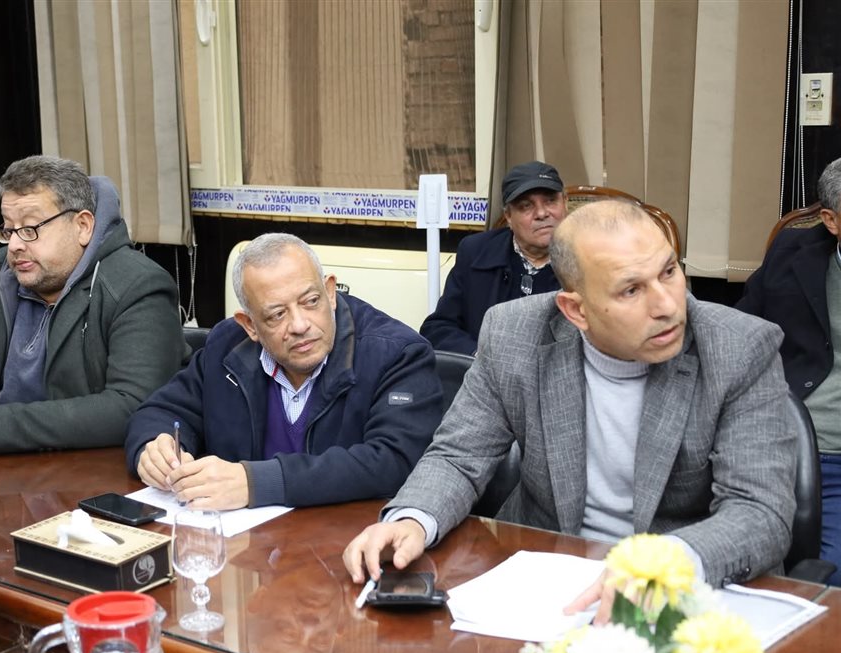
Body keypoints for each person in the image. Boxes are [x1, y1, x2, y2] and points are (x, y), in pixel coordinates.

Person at [344, 200, 796, 619]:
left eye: (669, 272)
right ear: (575, 311)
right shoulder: (513, 333)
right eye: (631, 290)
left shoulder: (739, 347)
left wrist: (666, 562)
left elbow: (760, 511)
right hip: (547, 582)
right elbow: (459, 455)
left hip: (680, 588)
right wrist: (413, 518)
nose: (666, 305)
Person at [124, 233, 445, 510]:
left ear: (330, 292)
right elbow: (162, 411)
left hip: (346, 540)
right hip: (246, 544)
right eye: (277, 314)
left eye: (311, 301)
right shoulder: (228, 346)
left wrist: (257, 483)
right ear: (250, 325)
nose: (300, 325)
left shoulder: (397, 354)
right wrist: (155, 448)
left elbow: (394, 461)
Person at [0, 155, 183, 455]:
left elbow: (131, 405)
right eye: (9, 230)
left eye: (31, 229)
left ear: (82, 226)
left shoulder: (138, 285)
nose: (15, 245)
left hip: (89, 467)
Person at [737, 156, 841, 585]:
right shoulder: (791, 252)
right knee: (740, 561)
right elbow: (743, 332)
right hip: (787, 440)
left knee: (829, 576)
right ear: (832, 221)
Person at [419, 161, 567, 354]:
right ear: (508, 216)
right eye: (526, 206)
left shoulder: (589, 258)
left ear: (565, 202)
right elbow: (438, 328)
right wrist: (482, 358)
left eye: (550, 201)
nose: (541, 213)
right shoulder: (475, 252)